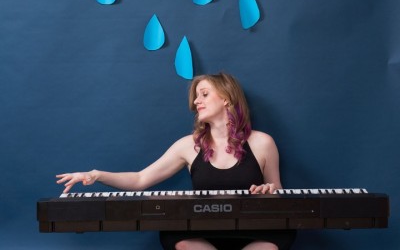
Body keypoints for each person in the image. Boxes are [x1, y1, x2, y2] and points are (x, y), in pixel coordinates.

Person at [56, 73, 296, 250]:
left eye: (204, 94)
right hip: (204, 231)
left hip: (254, 230)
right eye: (195, 98)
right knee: (176, 236)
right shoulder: (187, 145)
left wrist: (270, 190)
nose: (195, 103)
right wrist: (97, 175)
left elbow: (278, 193)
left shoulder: (263, 142)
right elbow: (140, 179)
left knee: (278, 237)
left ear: (226, 98)